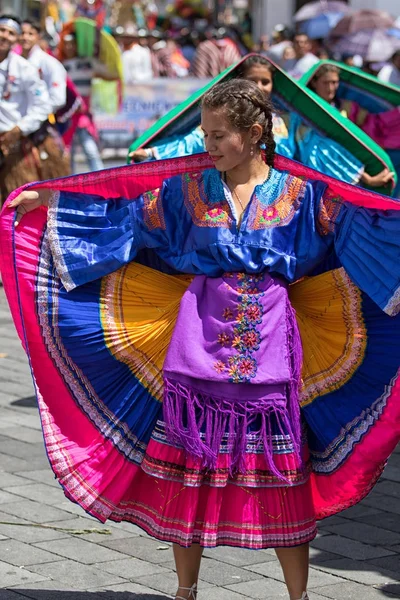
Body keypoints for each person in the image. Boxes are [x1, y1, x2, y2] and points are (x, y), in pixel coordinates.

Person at [4, 78, 400, 600]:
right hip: (196, 346)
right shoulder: (184, 192)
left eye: (217, 136)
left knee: (284, 475)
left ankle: (298, 595)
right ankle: (185, 590)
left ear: (255, 134)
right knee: (186, 468)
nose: (206, 145)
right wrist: (50, 200)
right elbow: (121, 214)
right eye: (205, 134)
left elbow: (361, 226)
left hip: (271, 351)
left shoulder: (304, 196)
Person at [129, 55, 392, 189]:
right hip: (230, 190)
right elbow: (195, 140)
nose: (259, 87)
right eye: (253, 80)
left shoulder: (289, 121)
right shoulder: (226, 119)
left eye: (265, 81)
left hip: (280, 198)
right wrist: (153, 153)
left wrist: (363, 176)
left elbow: (317, 148)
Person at [0, 14, 64, 204]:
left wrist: (19, 130)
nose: (4, 36)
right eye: (2, 30)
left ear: (15, 39)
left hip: (12, 145)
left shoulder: (24, 68)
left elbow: (43, 104)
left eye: (11, 33)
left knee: (13, 202)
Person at [308, 63, 400, 192]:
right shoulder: (308, 114)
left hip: (357, 169)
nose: (330, 88)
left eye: (334, 82)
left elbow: (374, 130)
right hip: (330, 175)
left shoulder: (348, 108)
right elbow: (327, 151)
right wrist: (366, 178)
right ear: (314, 83)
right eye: (325, 82)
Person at [19, 19, 71, 178]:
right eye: (22, 33)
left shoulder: (49, 63)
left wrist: (32, 118)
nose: (25, 37)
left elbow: (58, 98)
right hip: (14, 129)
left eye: (30, 33)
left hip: (41, 130)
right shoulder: (14, 62)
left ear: (38, 36)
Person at [58, 31, 116, 172]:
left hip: (83, 115)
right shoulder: (59, 66)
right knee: (67, 153)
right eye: (66, 44)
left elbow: (110, 74)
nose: (69, 47)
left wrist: (100, 54)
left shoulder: (88, 63)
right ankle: (68, 183)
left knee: (90, 150)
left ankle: (101, 181)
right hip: (67, 116)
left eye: (72, 44)